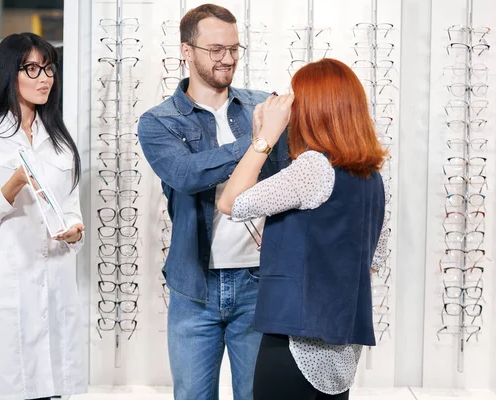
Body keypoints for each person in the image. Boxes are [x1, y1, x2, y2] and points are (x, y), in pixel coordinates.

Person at [138, 4, 289, 399]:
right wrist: (257, 142)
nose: (228, 59)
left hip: (260, 281)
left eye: (235, 49)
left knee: (258, 394)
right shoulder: (160, 121)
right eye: (216, 49)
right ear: (186, 51)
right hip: (194, 287)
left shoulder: (263, 106)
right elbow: (186, 175)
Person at [218, 58, 389, 400]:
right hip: (340, 343)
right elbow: (373, 259)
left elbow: (231, 202)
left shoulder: (314, 167)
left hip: (294, 340)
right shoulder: (373, 179)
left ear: (313, 110)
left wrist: (264, 138)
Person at [0, 32, 86, 400]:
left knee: (51, 388)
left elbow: (72, 211)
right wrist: (13, 185)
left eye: (49, 68)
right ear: (8, 73)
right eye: (32, 68)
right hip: (7, 283)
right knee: (7, 386)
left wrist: (76, 232)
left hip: (57, 282)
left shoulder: (61, 141)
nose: (45, 77)